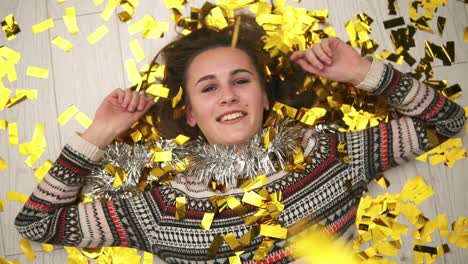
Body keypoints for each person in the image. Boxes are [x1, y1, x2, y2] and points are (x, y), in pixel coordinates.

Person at [14, 12, 466, 264]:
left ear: (265, 96)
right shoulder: (158, 211)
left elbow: (446, 120)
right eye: (208, 88)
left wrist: (361, 72)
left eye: (241, 81)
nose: (228, 96)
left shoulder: (330, 156)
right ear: (190, 113)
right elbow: (37, 225)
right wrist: (101, 132)